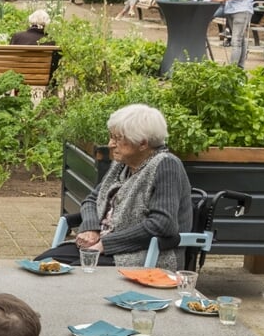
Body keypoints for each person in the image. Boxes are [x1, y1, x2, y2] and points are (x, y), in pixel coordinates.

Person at [37, 103, 193, 270]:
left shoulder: (166, 165)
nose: (111, 144)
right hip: (101, 245)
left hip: (141, 253)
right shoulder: (122, 165)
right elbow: (92, 200)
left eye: (118, 138)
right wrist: (91, 227)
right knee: (41, 264)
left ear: (142, 143)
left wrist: (106, 243)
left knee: (75, 274)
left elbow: (163, 224)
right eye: (111, 136)